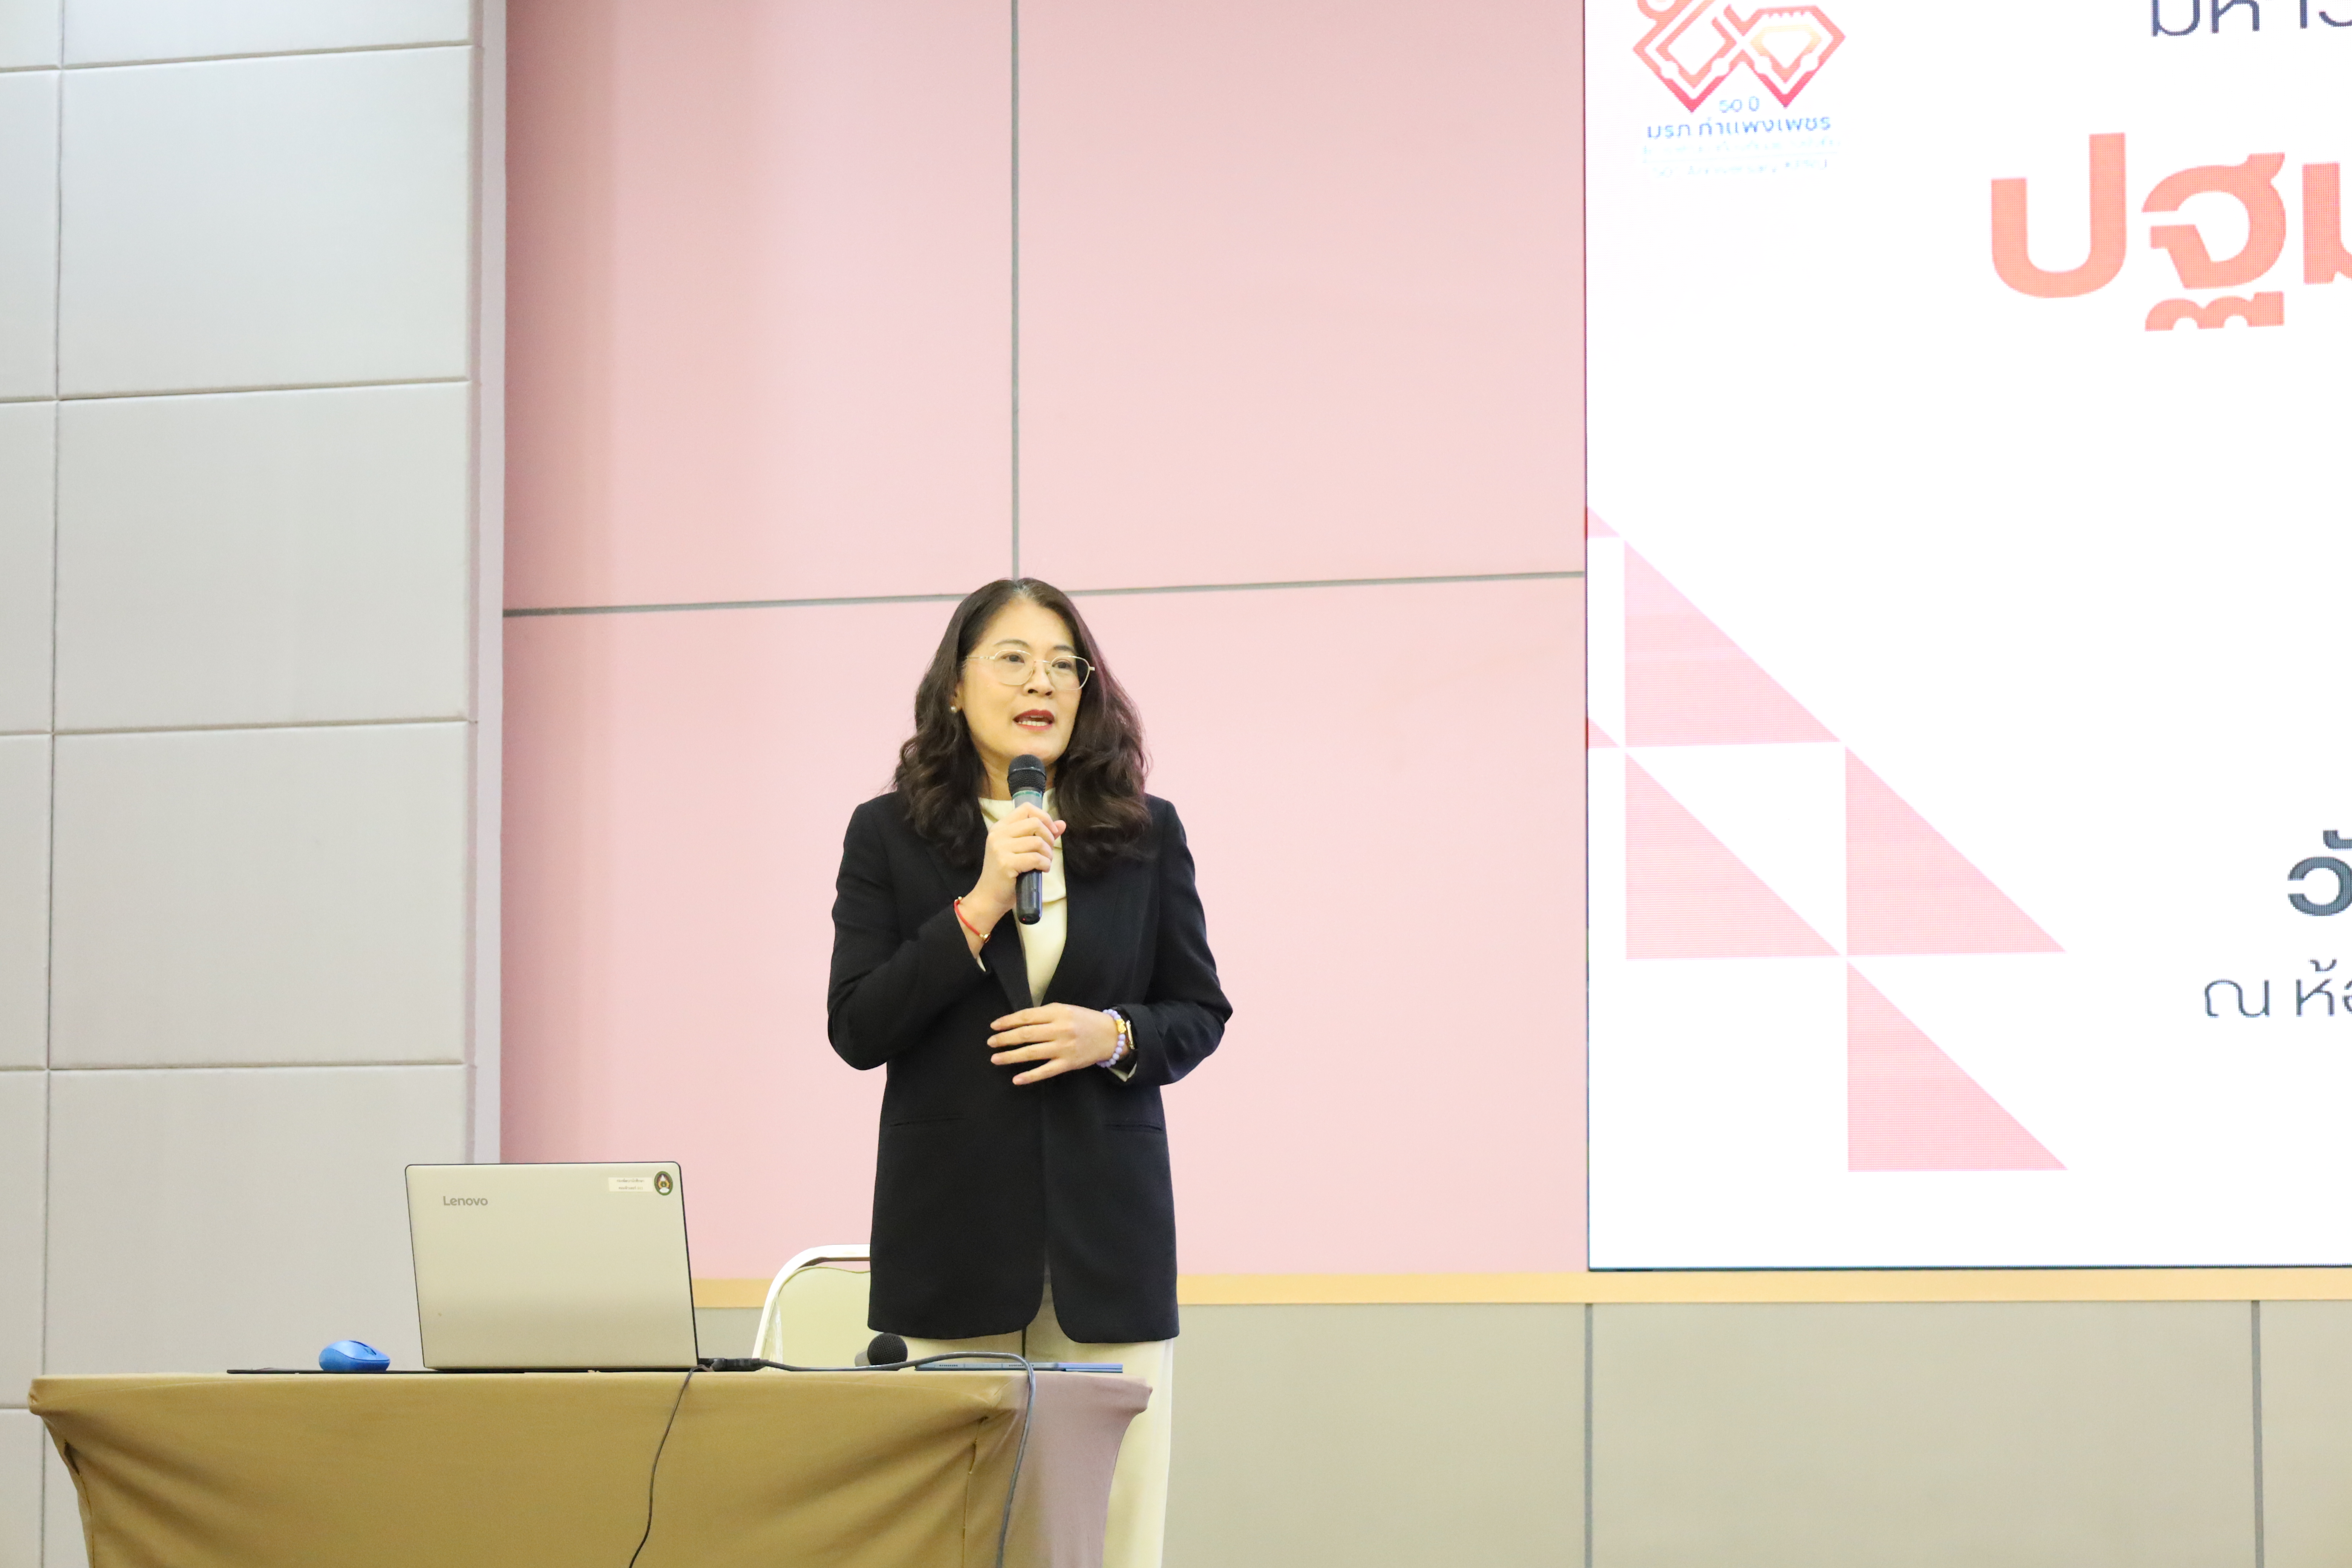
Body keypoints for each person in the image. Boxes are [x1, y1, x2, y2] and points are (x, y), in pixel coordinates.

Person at [827, 577, 1230, 1568]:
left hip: (1108, 1246)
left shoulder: (1145, 833)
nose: (1040, 682)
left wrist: (1114, 1035)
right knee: (948, 1535)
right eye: (1012, 659)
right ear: (955, 687)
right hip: (950, 1240)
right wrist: (978, 904)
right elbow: (858, 1026)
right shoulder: (887, 834)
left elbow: (1198, 1012)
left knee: (1110, 1535)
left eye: (1062, 664)